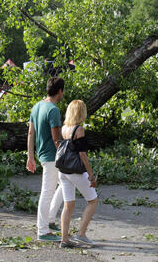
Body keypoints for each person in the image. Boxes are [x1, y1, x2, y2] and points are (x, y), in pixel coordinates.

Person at [26, 77, 65, 242]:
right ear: (60, 91)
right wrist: (65, 156)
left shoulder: (37, 106)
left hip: (42, 154)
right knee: (47, 192)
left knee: (65, 184)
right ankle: (42, 231)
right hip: (52, 156)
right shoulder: (53, 110)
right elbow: (57, 139)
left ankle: (49, 220)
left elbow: (30, 133)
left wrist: (30, 156)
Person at [58, 100, 98, 248]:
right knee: (92, 200)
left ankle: (64, 239)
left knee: (68, 204)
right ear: (82, 112)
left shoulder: (64, 128)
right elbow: (82, 154)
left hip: (63, 171)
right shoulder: (79, 129)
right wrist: (91, 175)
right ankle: (81, 234)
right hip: (75, 170)